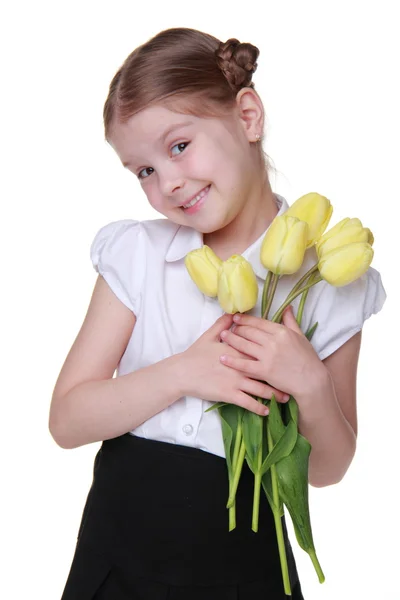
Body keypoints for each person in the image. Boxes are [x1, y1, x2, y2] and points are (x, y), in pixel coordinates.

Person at [49, 27, 386, 600]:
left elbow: (328, 469)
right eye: (143, 171)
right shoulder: (140, 256)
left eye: (178, 146)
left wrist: (309, 383)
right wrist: (184, 372)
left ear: (247, 116)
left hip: (244, 566)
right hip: (120, 551)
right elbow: (67, 420)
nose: (169, 183)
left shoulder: (327, 283)